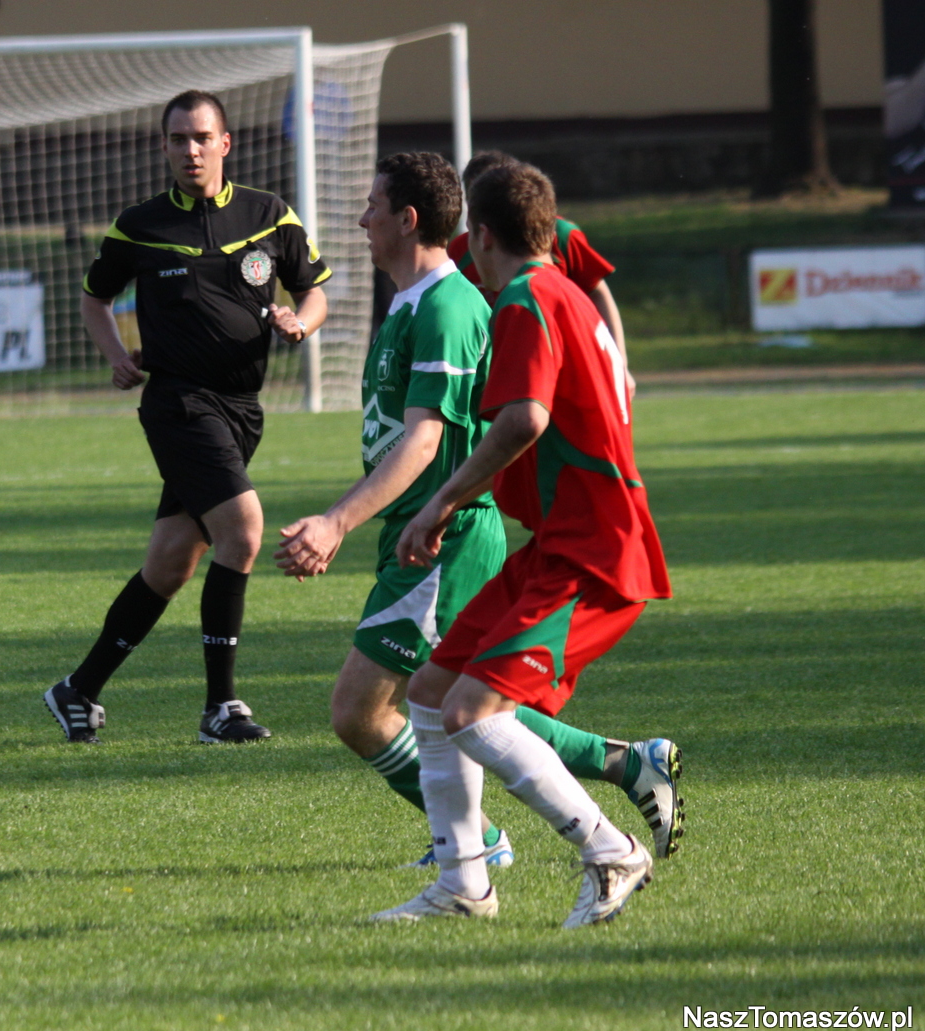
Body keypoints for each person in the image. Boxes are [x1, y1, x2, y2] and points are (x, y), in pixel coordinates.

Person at [275, 153, 680, 872]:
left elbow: (448, 434)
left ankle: (545, 848)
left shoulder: (473, 303)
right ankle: (500, 843)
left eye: (372, 206)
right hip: (457, 530)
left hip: (475, 536)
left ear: (415, 221)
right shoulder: (440, 299)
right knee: (450, 695)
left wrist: (355, 518)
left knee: (382, 710)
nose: (361, 220)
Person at [379, 162, 672, 928]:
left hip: (592, 550)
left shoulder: (525, 299)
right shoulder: (564, 290)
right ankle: (462, 885)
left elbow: (524, 419)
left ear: (479, 236)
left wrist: (440, 501)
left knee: (474, 712)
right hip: (557, 543)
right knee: (431, 693)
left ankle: (610, 851)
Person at [42, 90, 331, 744]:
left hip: (242, 410)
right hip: (179, 404)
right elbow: (94, 298)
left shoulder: (268, 214)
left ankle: (78, 689)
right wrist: (116, 356)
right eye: (178, 140)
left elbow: (312, 289)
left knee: (171, 563)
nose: (190, 150)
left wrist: (300, 322)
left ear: (225, 143)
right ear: (165, 147)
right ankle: (220, 707)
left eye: (202, 138)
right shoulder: (139, 225)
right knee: (244, 530)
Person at [448, 150, 633, 402]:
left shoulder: (551, 255)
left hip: (553, 371)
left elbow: (597, 293)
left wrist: (619, 364)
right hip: (494, 371)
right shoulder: (461, 251)